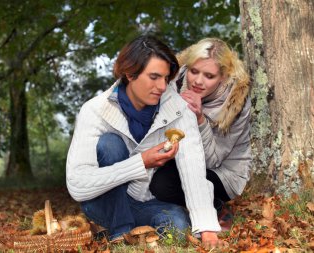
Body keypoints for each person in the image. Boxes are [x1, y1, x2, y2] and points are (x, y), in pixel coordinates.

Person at [66, 35, 223, 247]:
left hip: (143, 202)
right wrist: (141, 163)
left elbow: (193, 168)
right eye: (154, 77)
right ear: (130, 74)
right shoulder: (94, 111)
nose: (162, 86)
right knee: (110, 144)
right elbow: (77, 184)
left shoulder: (177, 108)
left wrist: (207, 229)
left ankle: (124, 229)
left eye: (166, 78)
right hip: (102, 201)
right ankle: (119, 232)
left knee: (177, 227)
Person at [150, 38, 252, 227]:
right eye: (194, 71)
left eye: (209, 76)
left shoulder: (234, 103)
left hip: (222, 173)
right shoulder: (174, 79)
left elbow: (214, 160)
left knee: (162, 184)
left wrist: (200, 119)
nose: (197, 81)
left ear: (223, 76)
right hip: (179, 156)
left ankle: (217, 206)